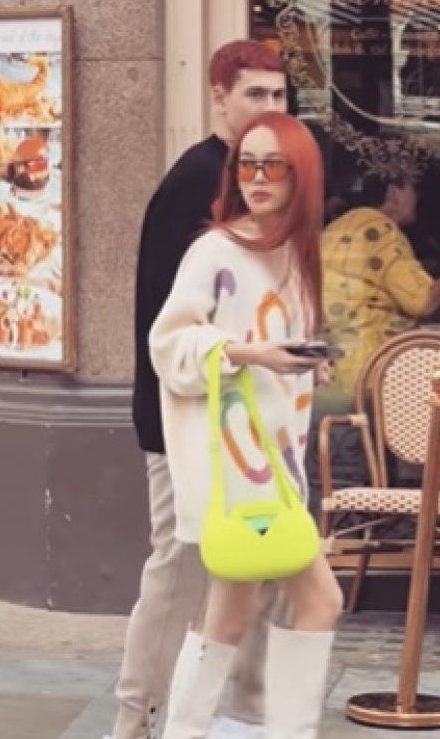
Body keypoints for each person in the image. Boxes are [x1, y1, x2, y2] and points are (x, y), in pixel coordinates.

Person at [149, 112, 343, 739]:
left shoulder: (296, 254)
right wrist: (249, 354)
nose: (257, 178)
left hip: (273, 466)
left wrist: (308, 362)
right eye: (247, 164)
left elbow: (278, 342)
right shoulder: (215, 251)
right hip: (241, 471)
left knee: (228, 616)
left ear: (300, 176)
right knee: (319, 600)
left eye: (272, 165)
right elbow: (169, 345)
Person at [115, 40, 287, 739]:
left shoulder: (258, 175)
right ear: (219, 97)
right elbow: (165, 323)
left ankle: (227, 719)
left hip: (246, 414)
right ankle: (137, 722)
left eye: (279, 95)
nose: (271, 106)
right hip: (183, 411)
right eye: (256, 94)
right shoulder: (196, 180)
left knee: (256, 570)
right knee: (180, 570)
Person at [321, 174, 440, 397]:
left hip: (328, 368)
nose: (417, 197)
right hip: (366, 372)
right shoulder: (379, 230)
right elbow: (421, 301)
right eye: (413, 189)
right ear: (394, 194)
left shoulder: (338, 227)